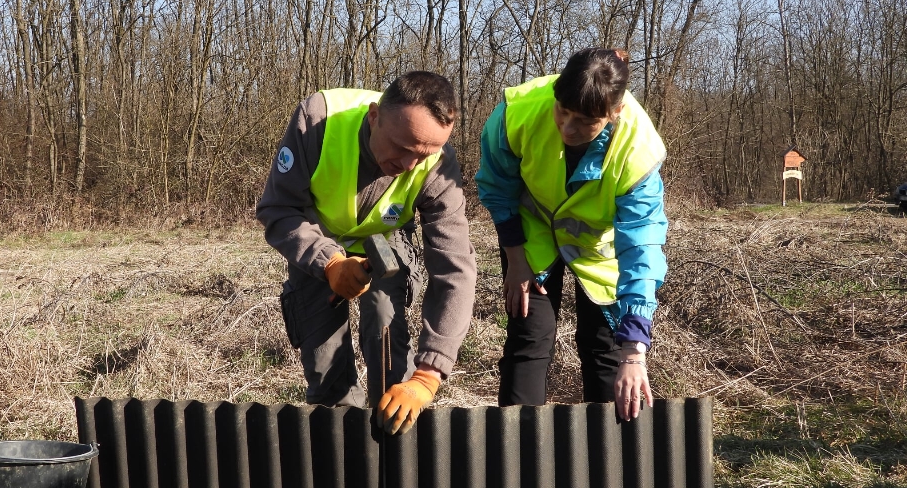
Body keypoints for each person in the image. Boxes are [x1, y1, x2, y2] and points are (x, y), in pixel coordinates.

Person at [257, 72, 477, 434]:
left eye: (423, 154)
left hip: (386, 245)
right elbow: (279, 210)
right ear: (374, 116)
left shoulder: (437, 162)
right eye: (402, 147)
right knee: (325, 367)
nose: (409, 165)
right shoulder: (317, 121)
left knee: (390, 354)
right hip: (318, 244)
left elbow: (455, 268)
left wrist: (429, 373)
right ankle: (342, 457)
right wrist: (328, 261)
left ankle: (395, 453)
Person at [475, 48, 667, 421]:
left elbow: (641, 245)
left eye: (585, 121)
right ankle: (518, 459)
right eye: (562, 111)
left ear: (615, 113)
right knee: (529, 338)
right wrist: (515, 260)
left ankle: (612, 463)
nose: (567, 128)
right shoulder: (519, 111)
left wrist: (634, 350)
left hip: (598, 246)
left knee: (605, 347)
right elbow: (497, 187)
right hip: (530, 233)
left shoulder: (638, 151)